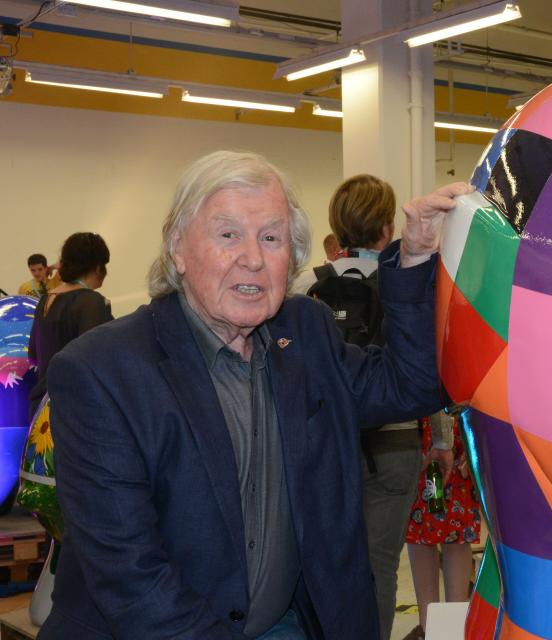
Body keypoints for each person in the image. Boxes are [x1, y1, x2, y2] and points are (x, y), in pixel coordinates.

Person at [41, 150, 472, 640]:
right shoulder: (101, 373)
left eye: (271, 238)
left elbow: (411, 384)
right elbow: (132, 580)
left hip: (285, 623)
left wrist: (415, 256)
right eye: (228, 235)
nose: (252, 257)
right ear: (178, 248)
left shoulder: (304, 334)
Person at [314, 174, 453, 640]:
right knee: (380, 563)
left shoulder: (309, 291)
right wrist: (442, 439)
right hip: (395, 440)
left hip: (329, 444)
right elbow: (420, 368)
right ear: (386, 227)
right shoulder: (404, 282)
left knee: (326, 560)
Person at [402, 409, 481, 640]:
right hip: (425, 423)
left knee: (455, 530)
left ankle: (450, 627)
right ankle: (431, 629)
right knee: (420, 530)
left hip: (451, 421)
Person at [27, 233, 112, 417]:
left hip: (42, 412)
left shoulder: (45, 300)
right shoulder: (90, 301)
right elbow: (95, 361)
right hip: (75, 411)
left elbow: (33, 354)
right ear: (98, 267)